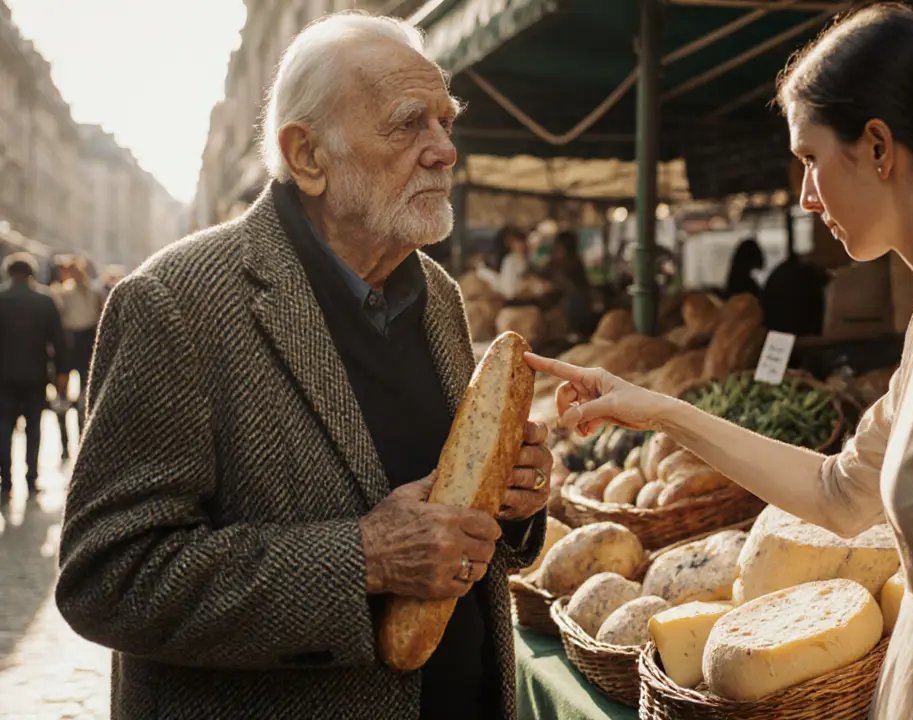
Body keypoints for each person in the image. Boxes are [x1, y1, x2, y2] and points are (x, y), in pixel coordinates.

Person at [529, 5, 913, 719]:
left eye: (810, 159)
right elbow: (839, 495)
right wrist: (659, 411)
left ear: (879, 146)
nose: (805, 196)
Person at [55, 13, 551, 720]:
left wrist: (513, 503)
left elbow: (449, 527)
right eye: (410, 124)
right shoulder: (176, 303)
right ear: (309, 155)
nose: (445, 150)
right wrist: (367, 558)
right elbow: (108, 578)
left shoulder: (437, 295)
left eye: (447, 121)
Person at [0, 253, 68, 498]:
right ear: (32, 274)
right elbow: (59, 341)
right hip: (36, 374)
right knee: (34, 428)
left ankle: (6, 481)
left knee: (3, 426)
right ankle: (31, 479)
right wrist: (62, 372)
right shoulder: (45, 301)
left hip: (3, 376)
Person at [51, 255, 105, 453]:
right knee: (63, 396)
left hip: (85, 342)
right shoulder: (62, 293)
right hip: (69, 342)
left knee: (86, 393)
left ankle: (82, 438)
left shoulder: (93, 292)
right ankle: (66, 443)